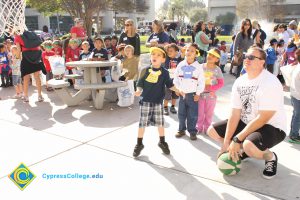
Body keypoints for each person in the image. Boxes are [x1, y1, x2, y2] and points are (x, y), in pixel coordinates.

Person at [207, 46, 287, 179]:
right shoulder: (240, 81)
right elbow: (235, 113)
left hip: (272, 126)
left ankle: (270, 157)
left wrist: (237, 139)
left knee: (248, 144)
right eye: (246, 56)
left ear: (262, 62)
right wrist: (227, 143)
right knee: (212, 131)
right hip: (247, 122)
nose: (246, 59)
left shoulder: (271, 82)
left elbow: (263, 117)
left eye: (251, 57)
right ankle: (241, 151)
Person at [133, 47, 181, 157]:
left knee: (160, 123)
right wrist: (138, 91)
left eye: (158, 55)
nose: (155, 56)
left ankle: (162, 142)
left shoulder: (164, 72)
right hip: (145, 101)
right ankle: (139, 144)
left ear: (163, 60)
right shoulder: (145, 70)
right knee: (142, 124)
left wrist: (178, 90)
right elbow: (140, 84)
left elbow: (169, 84)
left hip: (158, 102)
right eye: (153, 54)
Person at [174, 43, 205, 140]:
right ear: (184, 51)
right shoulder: (180, 65)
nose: (189, 52)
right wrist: (178, 88)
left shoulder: (198, 67)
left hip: (193, 95)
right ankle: (181, 129)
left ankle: (192, 130)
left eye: (192, 51)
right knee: (181, 113)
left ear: (196, 54)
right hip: (182, 94)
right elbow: (176, 79)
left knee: (193, 114)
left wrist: (198, 93)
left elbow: (201, 82)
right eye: (188, 50)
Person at [197, 49, 224, 134]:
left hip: (211, 96)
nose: (210, 57)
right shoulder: (200, 66)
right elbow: (195, 79)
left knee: (209, 113)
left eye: (213, 56)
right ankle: (198, 127)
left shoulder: (218, 69)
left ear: (217, 59)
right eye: (209, 54)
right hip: (200, 95)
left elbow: (221, 83)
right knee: (199, 113)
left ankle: (207, 128)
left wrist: (212, 88)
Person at [14, 31, 46, 103]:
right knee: (37, 77)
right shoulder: (32, 34)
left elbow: (18, 50)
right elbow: (39, 46)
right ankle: (40, 96)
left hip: (26, 56)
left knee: (26, 78)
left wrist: (16, 59)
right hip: (36, 55)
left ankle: (26, 96)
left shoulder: (17, 37)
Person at [163, 43, 182, 115]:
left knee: (175, 95)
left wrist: (177, 47)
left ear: (176, 52)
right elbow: (165, 48)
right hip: (168, 81)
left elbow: (183, 51)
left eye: (171, 51)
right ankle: (165, 107)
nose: (169, 52)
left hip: (176, 81)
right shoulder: (167, 58)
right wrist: (169, 46)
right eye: (168, 51)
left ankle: (173, 106)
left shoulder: (179, 59)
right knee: (167, 95)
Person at [289, 49, 300, 142]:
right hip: (298, 96)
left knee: (296, 115)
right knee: (298, 116)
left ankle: (293, 133)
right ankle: (294, 135)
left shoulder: (297, 66)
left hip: (294, 95)